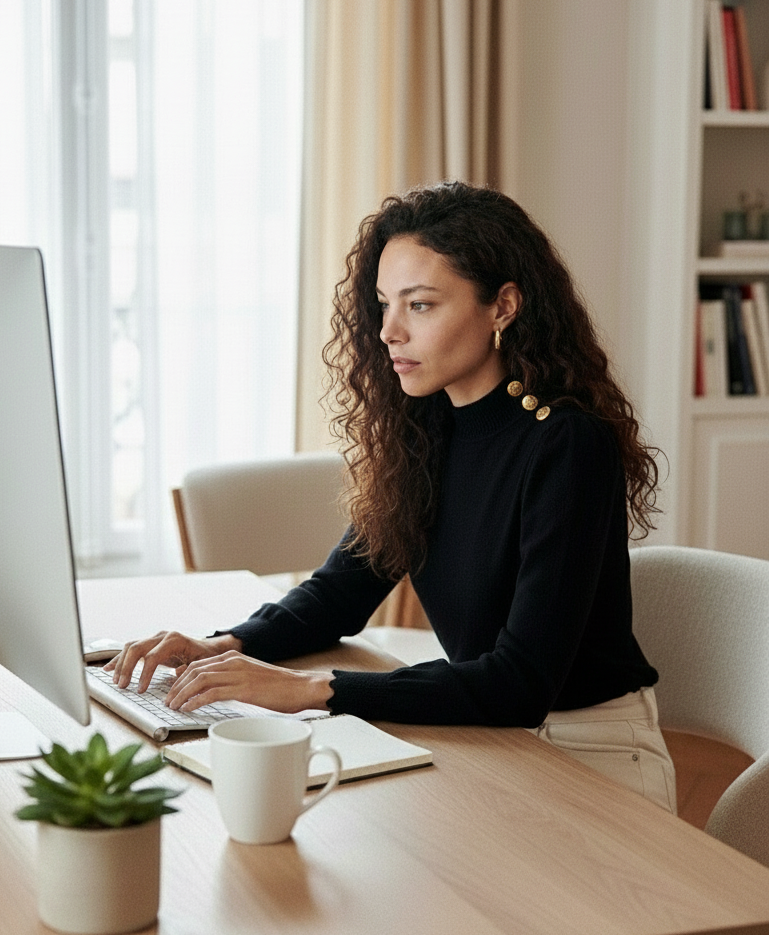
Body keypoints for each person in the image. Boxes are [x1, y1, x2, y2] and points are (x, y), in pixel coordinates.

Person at [108, 181, 676, 812]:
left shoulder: (566, 445)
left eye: (421, 306)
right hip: (495, 737)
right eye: (383, 305)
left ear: (504, 306)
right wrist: (227, 646)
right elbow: (340, 592)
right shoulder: (427, 428)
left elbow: (519, 684)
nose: (388, 332)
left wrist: (308, 690)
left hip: (589, 752)